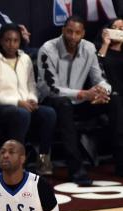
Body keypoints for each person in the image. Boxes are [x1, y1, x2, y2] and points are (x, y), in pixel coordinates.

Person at [38, 15, 123, 185]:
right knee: (65, 105)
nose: (73, 36)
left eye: (77, 33)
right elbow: (51, 88)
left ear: (83, 33)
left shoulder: (89, 48)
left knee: (113, 100)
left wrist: (102, 91)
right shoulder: (48, 49)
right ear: (63, 31)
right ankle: (76, 170)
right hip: (52, 100)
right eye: (69, 32)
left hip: (81, 100)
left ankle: (120, 163)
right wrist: (83, 94)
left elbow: (99, 78)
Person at [0, 24, 56, 175]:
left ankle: (43, 160)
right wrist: (18, 102)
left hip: (24, 105)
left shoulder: (25, 59)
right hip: (1, 107)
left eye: (15, 41)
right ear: (1, 41)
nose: (11, 44)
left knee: (48, 113)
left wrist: (32, 99)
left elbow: (31, 85)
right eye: (7, 40)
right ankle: (17, 165)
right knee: (21, 114)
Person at [98, 18, 123, 92]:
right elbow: (97, 66)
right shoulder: (100, 48)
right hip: (106, 92)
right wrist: (105, 44)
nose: (117, 31)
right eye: (114, 28)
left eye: (121, 29)